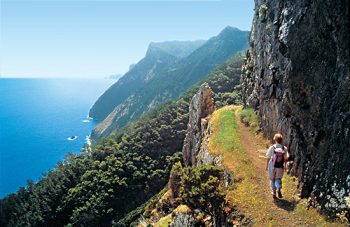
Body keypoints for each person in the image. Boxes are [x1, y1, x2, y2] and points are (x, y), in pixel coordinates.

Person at [266, 133, 288, 199]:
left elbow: (268, 157)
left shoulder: (272, 147)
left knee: (272, 179)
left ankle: (274, 192)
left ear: (275, 140)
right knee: (278, 178)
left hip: (272, 165)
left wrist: (267, 166)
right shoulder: (284, 148)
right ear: (281, 140)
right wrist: (285, 167)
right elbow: (285, 158)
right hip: (280, 166)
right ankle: (279, 189)